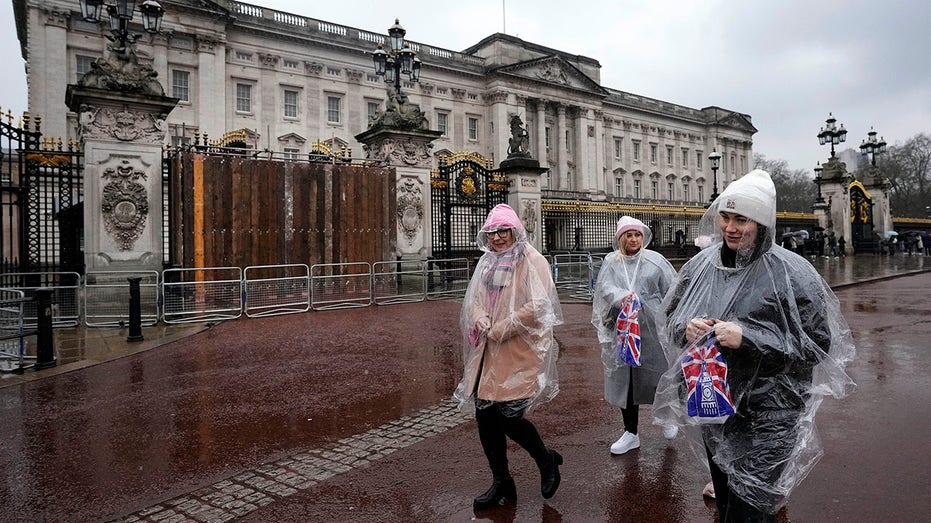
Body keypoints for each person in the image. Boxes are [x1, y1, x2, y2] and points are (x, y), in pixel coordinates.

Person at [653, 169, 856, 521]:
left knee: (749, 512)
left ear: (762, 223)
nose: (730, 227)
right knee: (729, 503)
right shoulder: (699, 268)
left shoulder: (794, 273)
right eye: (726, 217)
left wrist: (748, 338)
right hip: (714, 404)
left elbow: (817, 346)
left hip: (772, 411)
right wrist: (685, 329)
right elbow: (669, 321)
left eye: (742, 219)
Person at [454, 203, 564, 510]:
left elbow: (540, 306)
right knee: (485, 418)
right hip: (486, 353)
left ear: (515, 230)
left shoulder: (532, 260)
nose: (498, 238)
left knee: (510, 417)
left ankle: (546, 460)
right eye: (492, 232)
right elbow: (474, 299)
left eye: (503, 231)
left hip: (518, 351)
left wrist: (502, 327)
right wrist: (478, 318)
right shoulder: (487, 262)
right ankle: (502, 483)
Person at [591, 216, 677, 455]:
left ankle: (666, 416)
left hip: (651, 329)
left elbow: (672, 289)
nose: (633, 239)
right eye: (628, 235)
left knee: (659, 374)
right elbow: (604, 288)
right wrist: (622, 296)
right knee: (627, 378)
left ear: (643, 237)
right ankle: (631, 432)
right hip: (624, 328)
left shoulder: (655, 261)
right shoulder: (612, 261)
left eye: (637, 234)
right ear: (620, 238)